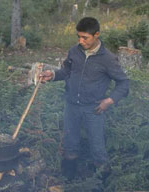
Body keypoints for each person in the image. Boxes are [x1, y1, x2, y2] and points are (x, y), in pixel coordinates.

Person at [40, 17, 129, 180]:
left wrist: (109, 101)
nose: (81, 41)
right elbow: (66, 71)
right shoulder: (74, 51)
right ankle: (69, 182)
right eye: (78, 37)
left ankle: (102, 184)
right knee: (70, 145)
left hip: (93, 110)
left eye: (85, 37)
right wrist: (51, 75)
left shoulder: (108, 59)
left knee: (98, 149)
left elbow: (123, 83)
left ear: (96, 35)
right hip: (71, 106)